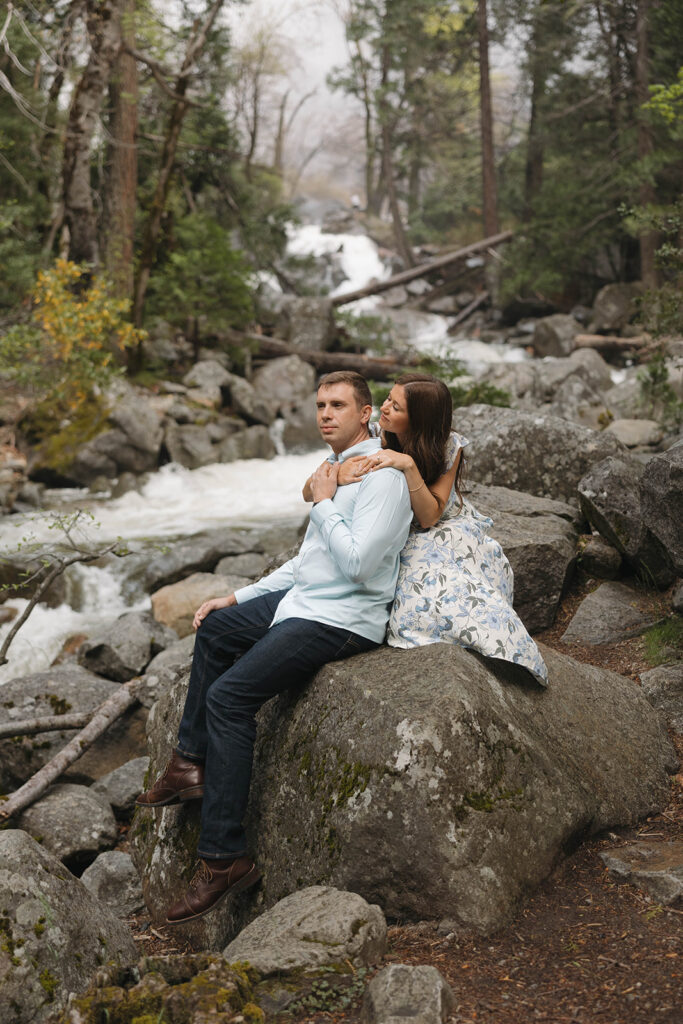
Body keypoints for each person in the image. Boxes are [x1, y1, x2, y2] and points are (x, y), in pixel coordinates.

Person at [136, 371, 413, 924]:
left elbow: (358, 566)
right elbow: (309, 560)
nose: (325, 414)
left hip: (343, 618)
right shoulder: (334, 471)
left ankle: (223, 859)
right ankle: (190, 763)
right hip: (306, 598)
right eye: (319, 405)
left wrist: (325, 501)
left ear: (368, 415)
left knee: (231, 698)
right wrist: (235, 596)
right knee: (215, 630)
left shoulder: (380, 477)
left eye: (338, 405)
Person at [306, 373, 548, 687]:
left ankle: (501, 647)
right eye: (388, 399)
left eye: (396, 406)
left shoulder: (449, 445)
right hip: (393, 524)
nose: (385, 408)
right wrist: (339, 472)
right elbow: (311, 487)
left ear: (419, 418)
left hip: (436, 527)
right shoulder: (375, 434)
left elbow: (430, 515)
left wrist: (406, 465)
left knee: (444, 586)